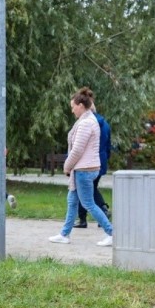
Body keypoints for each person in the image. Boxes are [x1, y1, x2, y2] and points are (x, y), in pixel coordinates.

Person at [49, 87, 114, 247]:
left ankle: (112, 233)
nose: (72, 110)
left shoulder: (86, 123)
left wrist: (67, 166)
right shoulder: (87, 120)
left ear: (81, 105)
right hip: (85, 169)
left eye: (73, 106)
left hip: (84, 170)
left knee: (88, 204)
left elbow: (78, 149)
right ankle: (64, 234)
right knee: (72, 201)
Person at [75, 104, 112, 228]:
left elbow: (81, 145)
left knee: (84, 189)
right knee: (92, 188)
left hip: (88, 162)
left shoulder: (87, 123)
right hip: (101, 160)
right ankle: (101, 211)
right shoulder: (105, 124)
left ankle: (84, 218)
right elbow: (108, 146)